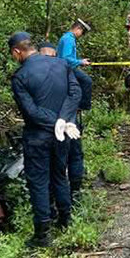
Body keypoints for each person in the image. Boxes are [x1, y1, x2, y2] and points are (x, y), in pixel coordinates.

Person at [9, 32, 80, 247]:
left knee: (39, 181)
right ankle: (65, 220)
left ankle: (42, 234)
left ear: (16, 52)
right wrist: (63, 120)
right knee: (59, 174)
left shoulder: (20, 77)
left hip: (38, 137)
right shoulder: (61, 64)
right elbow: (75, 93)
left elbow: (30, 111)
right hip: (63, 133)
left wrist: (55, 121)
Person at [41, 41, 86, 200]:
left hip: (48, 126)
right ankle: (75, 192)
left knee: (53, 166)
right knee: (74, 155)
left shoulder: (34, 71)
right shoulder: (64, 67)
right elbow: (77, 90)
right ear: (54, 53)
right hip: (69, 121)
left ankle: (54, 201)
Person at [56, 19, 94, 111]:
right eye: (82, 32)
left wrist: (80, 61)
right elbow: (66, 58)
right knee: (87, 81)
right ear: (78, 28)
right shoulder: (69, 39)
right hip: (67, 68)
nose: (82, 35)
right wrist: (80, 62)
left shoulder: (67, 37)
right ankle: (83, 105)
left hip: (66, 67)